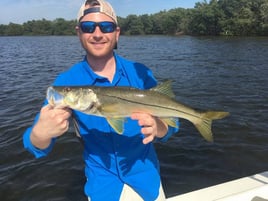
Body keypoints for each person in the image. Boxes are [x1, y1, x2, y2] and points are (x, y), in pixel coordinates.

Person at [23, 0, 179, 200]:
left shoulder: (141, 74)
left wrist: (160, 128)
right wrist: (40, 133)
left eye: (106, 27)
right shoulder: (66, 82)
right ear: (79, 32)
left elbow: (172, 123)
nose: (97, 34)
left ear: (117, 33)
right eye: (88, 27)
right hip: (102, 188)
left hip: (146, 181)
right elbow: (34, 143)